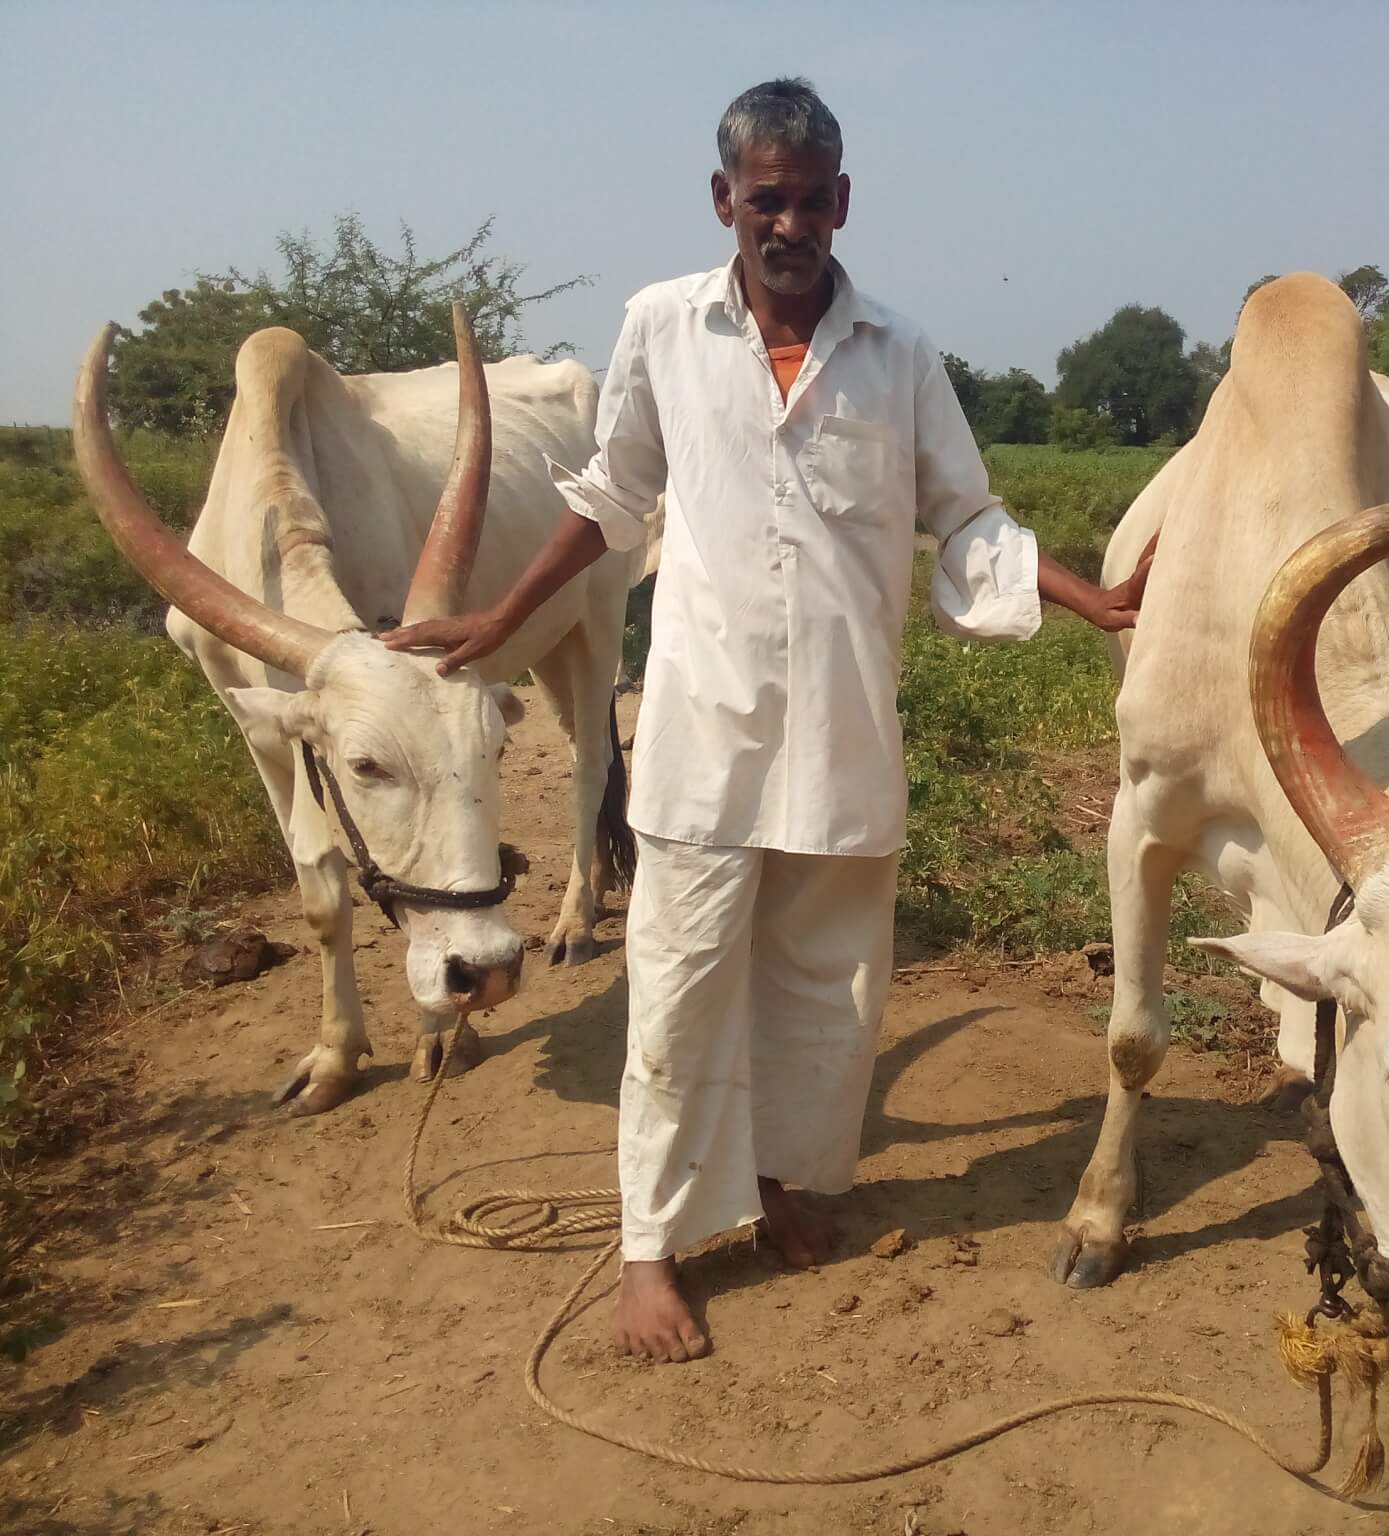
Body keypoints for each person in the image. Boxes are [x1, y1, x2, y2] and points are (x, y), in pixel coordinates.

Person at [384, 77, 1153, 1363]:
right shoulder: (660, 329)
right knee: (680, 996)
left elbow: (962, 518)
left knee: (827, 993)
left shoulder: (899, 354)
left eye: (807, 201)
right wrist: (487, 617)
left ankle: (788, 1185)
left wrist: (1092, 600)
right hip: (703, 735)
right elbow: (606, 498)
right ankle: (651, 1251)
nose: (785, 224)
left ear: (842, 203)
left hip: (843, 739)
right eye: (762, 201)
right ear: (723, 201)